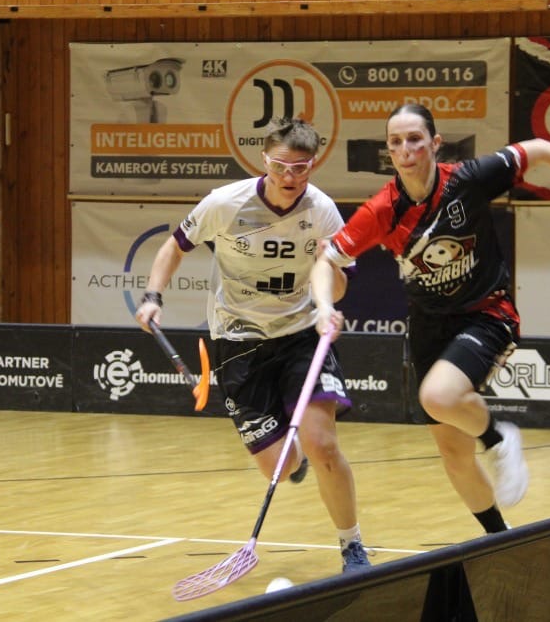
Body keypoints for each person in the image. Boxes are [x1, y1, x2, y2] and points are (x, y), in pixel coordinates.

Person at [312, 103, 550, 535]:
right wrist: (324, 306)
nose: (405, 149)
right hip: (429, 326)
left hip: (487, 314)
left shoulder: (467, 180)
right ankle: (498, 539)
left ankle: (498, 438)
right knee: (453, 452)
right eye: (395, 142)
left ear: (435, 143)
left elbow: (540, 148)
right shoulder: (382, 210)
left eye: (415, 139)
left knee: (438, 397)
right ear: (388, 151)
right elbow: (326, 261)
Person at [135, 117, 372, 572]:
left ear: (313, 165)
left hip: (301, 335)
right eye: (280, 166)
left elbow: (339, 283)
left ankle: (351, 546)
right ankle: (293, 454)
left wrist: (327, 291)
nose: (289, 177)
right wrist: (152, 296)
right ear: (264, 160)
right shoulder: (225, 202)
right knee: (279, 468)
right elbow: (175, 247)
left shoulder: (323, 212)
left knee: (322, 443)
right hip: (238, 340)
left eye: (299, 168)